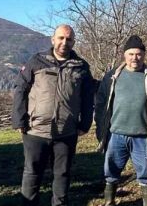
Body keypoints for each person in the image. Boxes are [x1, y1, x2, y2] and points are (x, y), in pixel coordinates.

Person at [12, 24, 95, 206]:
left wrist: (85, 124)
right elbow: (20, 90)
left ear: (74, 42)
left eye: (69, 39)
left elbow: (88, 98)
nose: (64, 42)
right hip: (35, 131)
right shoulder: (37, 61)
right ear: (53, 39)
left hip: (66, 132)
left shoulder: (81, 67)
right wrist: (19, 120)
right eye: (61, 38)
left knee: (62, 174)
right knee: (32, 173)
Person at [95, 35, 147, 206]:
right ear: (124, 55)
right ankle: (110, 201)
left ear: (144, 55)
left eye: (138, 54)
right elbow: (100, 101)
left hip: (143, 135)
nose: (134, 58)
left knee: (145, 172)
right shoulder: (112, 76)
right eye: (131, 54)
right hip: (116, 134)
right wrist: (100, 125)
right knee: (111, 171)